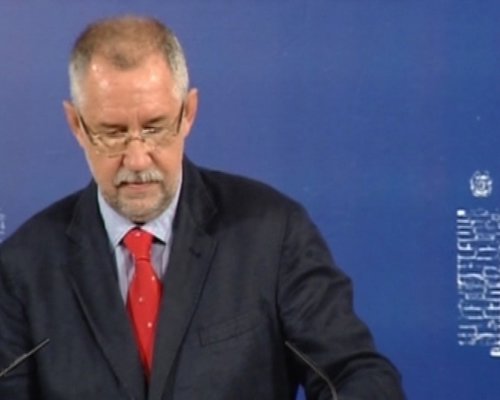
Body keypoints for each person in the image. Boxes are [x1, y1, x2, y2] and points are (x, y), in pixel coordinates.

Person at [0, 15, 405, 400]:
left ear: (188, 113)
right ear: (76, 125)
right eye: (113, 133)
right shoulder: (22, 268)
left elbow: (356, 375)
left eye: (155, 128)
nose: (137, 159)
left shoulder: (272, 234)